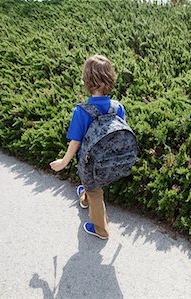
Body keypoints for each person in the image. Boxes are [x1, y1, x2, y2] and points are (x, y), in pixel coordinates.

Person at [50, 54, 126, 240]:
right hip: (111, 160)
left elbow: (75, 142)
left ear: (86, 82)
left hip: (89, 163)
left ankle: (101, 229)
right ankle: (85, 197)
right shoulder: (118, 107)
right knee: (92, 186)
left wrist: (63, 162)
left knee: (95, 192)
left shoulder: (81, 111)